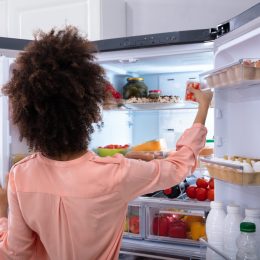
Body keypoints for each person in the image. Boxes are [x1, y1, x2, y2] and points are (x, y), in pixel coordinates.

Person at [0, 26, 212, 260]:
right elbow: (177, 167)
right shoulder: (117, 174)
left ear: (27, 113)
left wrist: (2, 216)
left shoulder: (20, 175)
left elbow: (16, 253)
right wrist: (203, 107)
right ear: (88, 109)